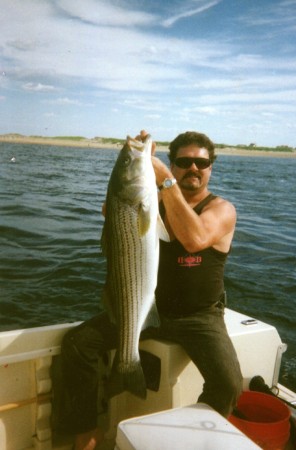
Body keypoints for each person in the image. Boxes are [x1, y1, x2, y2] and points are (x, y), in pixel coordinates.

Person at [59, 131, 243, 450]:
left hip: (199, 318)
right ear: (172, 162)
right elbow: (114, 208)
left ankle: (192, 441)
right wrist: (139, 165)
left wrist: (166, 181)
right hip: (145, 309)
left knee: (229, 384)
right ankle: (87, 434)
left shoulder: (222, 210)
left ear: (211, 167)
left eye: (201, 162)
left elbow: (195, 239)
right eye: (183, 162)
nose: (193, 168)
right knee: (77, 344)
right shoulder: (153, 201)